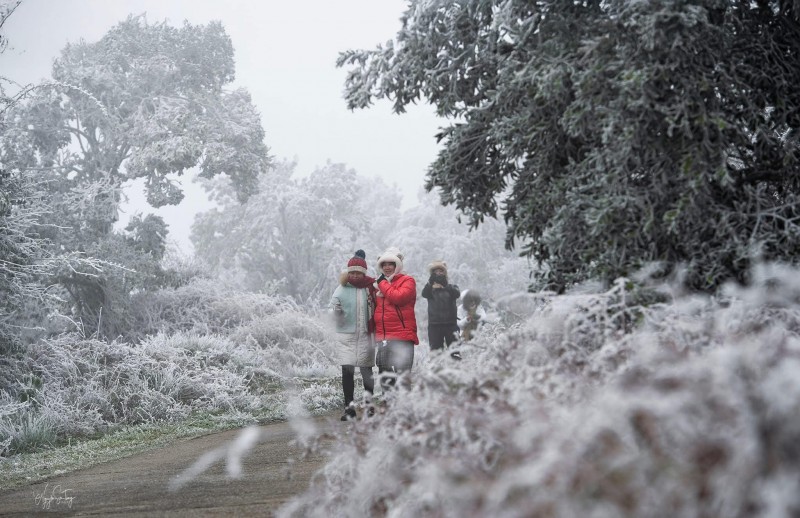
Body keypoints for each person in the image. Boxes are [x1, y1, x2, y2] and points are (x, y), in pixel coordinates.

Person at [330, 249, 377, 421]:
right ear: (348, 273)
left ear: (364, 273)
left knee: (367, 372)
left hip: (366, 335)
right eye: (353, 272)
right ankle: (349, 409)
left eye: (359, 272)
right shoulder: (341, 288)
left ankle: (369, 407)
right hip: (346, 336)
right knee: (347, 372)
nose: (355, 275)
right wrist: (336, 313)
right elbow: (332, 306)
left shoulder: (370, 287)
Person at [373, 247, 418, 394]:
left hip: (403, 337)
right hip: (384, 337)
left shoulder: (408, 281)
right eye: (384, 264)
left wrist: (382, 283)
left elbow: (398, 298)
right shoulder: (377, 286)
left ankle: (405, 410)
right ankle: (390, 409)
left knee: (403, 376)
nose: (387, 267)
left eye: (390, 264)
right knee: (385, 376)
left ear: (397, 265)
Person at [421, 260, 460, 352]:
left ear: (445, 273)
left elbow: (457, 294)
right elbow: (424, 294)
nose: (438, 273)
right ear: (432, 274)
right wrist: (430, 283)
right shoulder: (430, 289)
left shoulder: (451, 287)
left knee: (455, 352)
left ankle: (455, 367)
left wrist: (445, 285)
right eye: (436, 272)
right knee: (436, 354)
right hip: (434, 325)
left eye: (441, 271)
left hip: (451, 324)